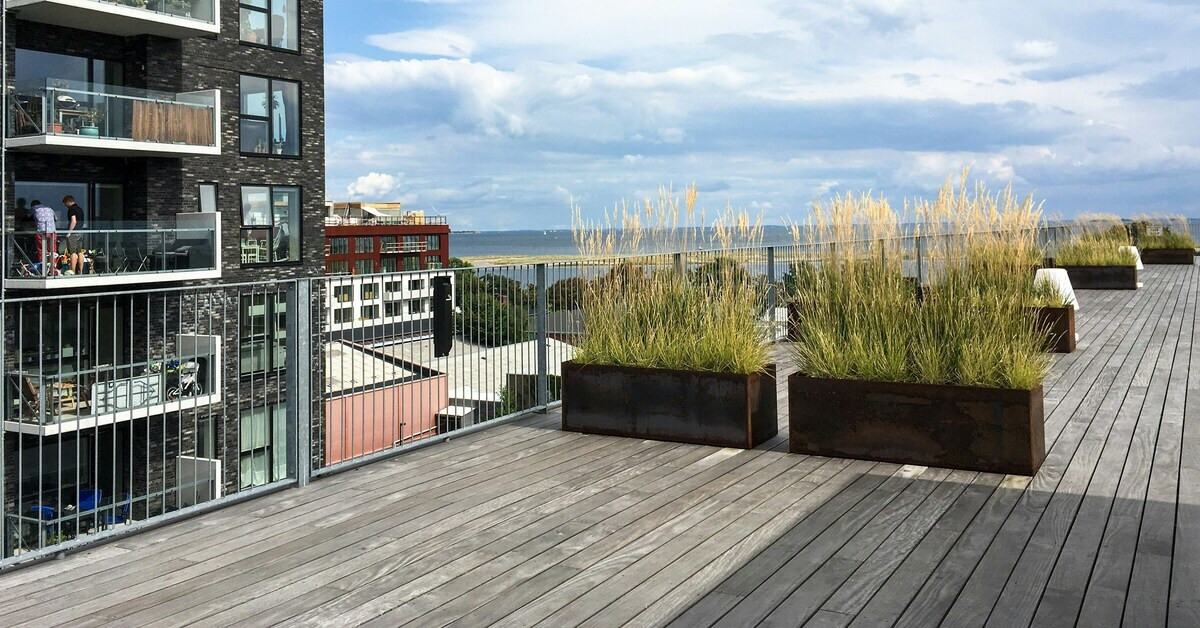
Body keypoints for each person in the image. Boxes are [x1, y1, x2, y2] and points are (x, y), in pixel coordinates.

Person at [31, 199, 57, 275]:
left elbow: (26, 217)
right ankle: (53, 269)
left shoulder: (34, 208)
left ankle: (42, 269)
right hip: (52, 232)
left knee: (41, 250)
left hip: (41, 232)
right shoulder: (49, 208)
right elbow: (56, 219)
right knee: (52, 250)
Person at [63, 195, 87, 275]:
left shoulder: (71, 209)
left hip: (74, 232)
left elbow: (73, 221)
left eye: (65, 203)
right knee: (80, 251)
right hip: (80, 232)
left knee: (72, 252)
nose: (65, 206)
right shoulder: (80, 209)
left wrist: (69, 232)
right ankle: (80, 271)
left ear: (68, 201)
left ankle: (72, 271)